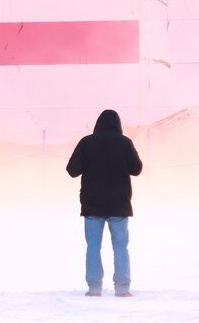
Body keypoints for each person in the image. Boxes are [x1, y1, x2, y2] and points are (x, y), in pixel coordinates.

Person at [66, 109, 144, 297]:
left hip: (92, 204)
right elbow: (137, 169)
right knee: (120, 247)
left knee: (93, 247)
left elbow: (72, 170)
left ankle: (94, 288)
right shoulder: (125, 143)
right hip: (119, 205)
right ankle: (122, 289)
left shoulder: (86, 142)